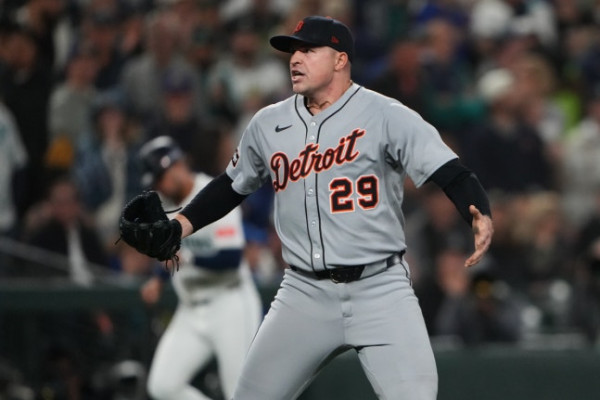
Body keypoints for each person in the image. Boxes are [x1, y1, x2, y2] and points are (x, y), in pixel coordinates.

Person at [124, 16, 493, 399]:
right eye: (292, 51)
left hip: (381, 289)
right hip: (304, 292)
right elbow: (230, 186)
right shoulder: (269, 123)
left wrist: (479, 211)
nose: (295, 59)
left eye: (308, 50)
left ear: (340, 59)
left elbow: (449, 170)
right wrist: (180, 225)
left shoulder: (385, 114)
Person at [137, 136, 263, 400]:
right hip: (190, 309)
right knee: (163, 386)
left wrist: (188, 258)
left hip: (230, 304)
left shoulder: (213, 193)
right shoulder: (163, 206)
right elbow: (170, 251)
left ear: (177, 165)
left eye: (161, 177)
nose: (159, 185)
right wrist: (158, 279)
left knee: (239, 394)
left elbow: (231, 258)